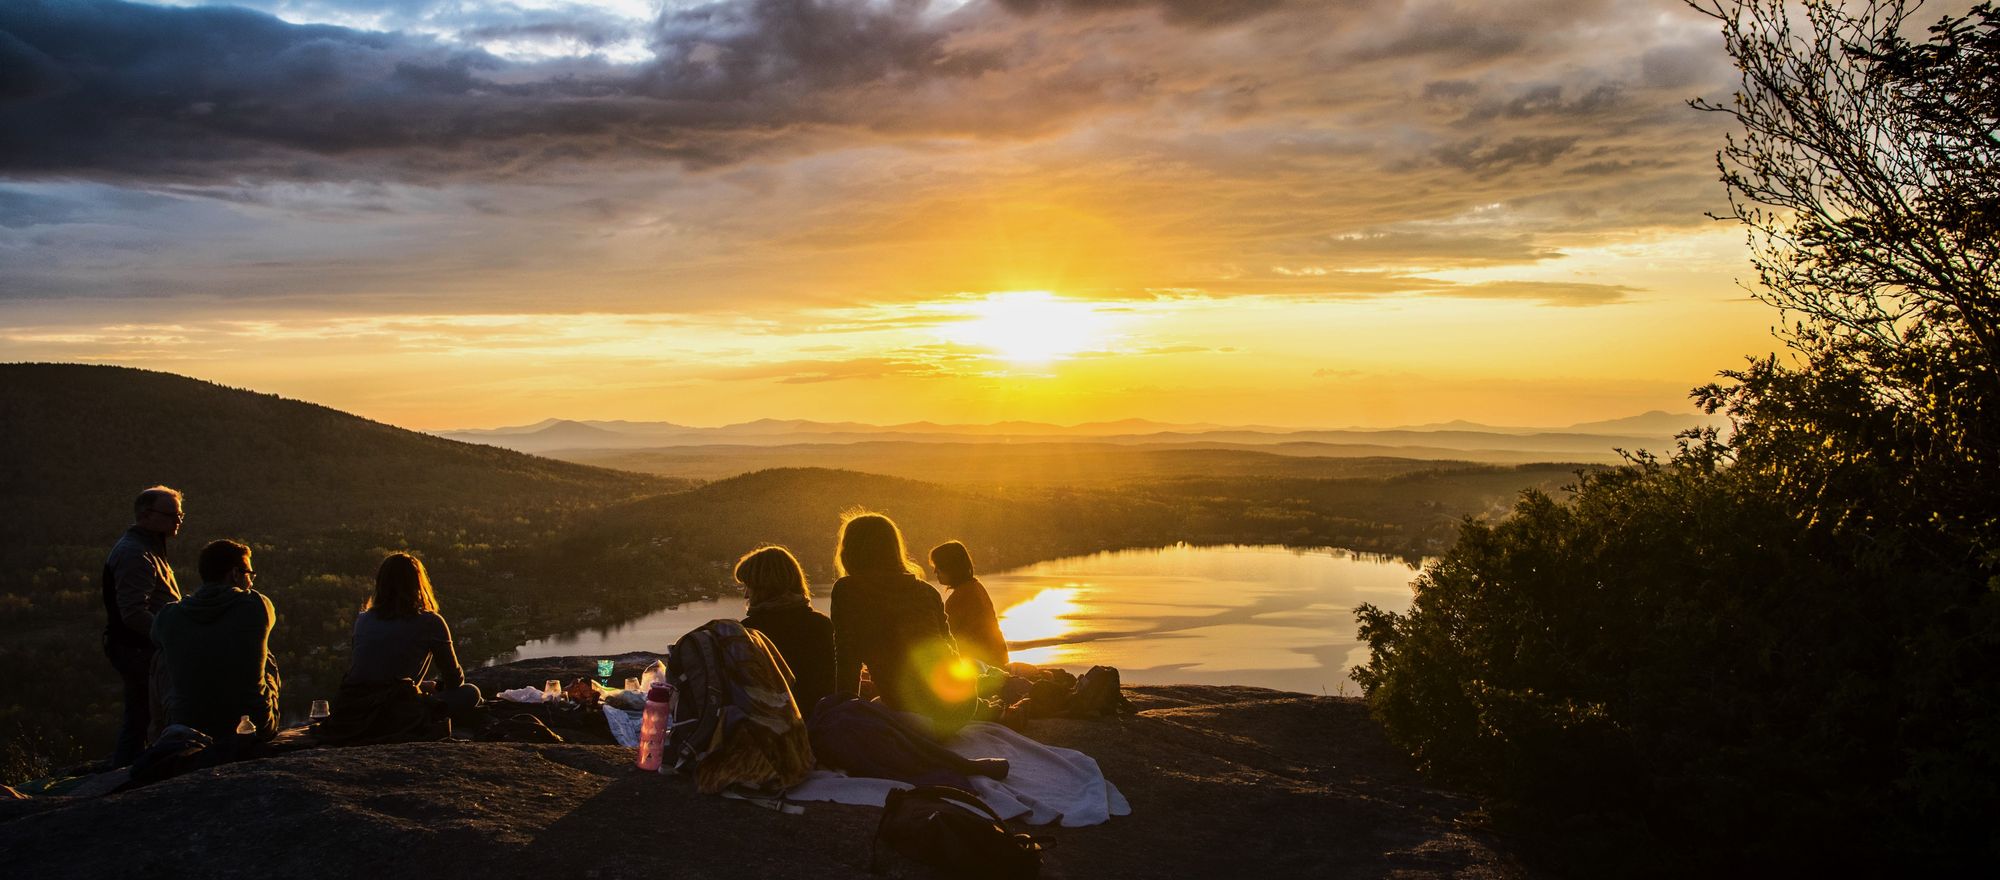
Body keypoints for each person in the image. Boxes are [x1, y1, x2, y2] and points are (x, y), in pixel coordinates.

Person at [830, 512, 975, 731]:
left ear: (849, 551)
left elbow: (847, 661)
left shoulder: (847, 590)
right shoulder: (926, 591)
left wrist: (844, 717)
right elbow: (951, 650)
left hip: (916, 713)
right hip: (962, 705)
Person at [151, 539, 281, 740]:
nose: (252, 580)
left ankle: (161, 735)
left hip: (188, 725)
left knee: (161, 657)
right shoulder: (257, 605)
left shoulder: (169, 616)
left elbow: (155, 638)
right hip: (252, 726)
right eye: (249, 574)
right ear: (235, 575)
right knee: (265, 654)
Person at [343, 553, 482, 724]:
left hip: (353, 710)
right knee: (470, 693)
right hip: (396, 713)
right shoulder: (430, 621)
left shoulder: (363, 619)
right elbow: (454, 681)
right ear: (418, 583)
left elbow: (376, 675)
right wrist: (430, 688)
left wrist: (424, 685)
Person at [102, 486, 184, 766]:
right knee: (141, 714)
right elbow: (134, 613)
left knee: (144, 714)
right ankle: (127, 774)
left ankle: (130, 770)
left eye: (180, 514)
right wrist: (169, 638)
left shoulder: (148, 548)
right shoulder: (135, 554)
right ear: (146, 515)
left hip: (142, 647)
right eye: (172, 514)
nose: (179, 520)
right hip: (138, 649)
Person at [736, 545, 835, 718]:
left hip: (771, 730)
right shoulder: (822, 625)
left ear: (763, 587)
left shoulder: (750, 632)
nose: (745, 595)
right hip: (821, 723)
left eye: (748, 586)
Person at [928, 541, 1010, 669]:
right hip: (997, 659)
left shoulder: (960, 597)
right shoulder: (976, 587)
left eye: (938, 566)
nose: (934, 572)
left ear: (950, 567)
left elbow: (947, 637)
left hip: (982, 666)